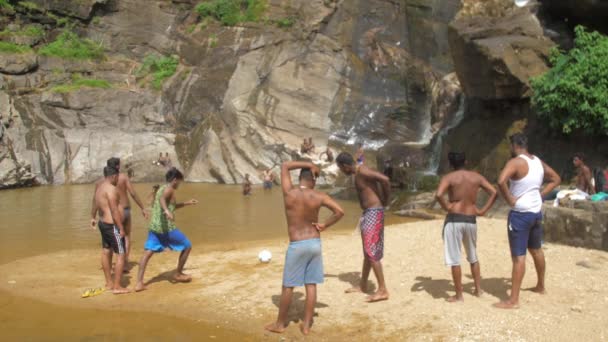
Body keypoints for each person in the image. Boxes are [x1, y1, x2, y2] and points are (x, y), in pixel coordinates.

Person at [265, 161, 344, 335]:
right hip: (314, 243)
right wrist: (325, 225)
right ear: (313, 181)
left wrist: (309, 164)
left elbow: (285, 165)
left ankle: (280, 324)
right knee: (311, 285)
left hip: (297, 245)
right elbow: (340, 211)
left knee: (288, 286)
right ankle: (306, 325)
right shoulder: (319, 195)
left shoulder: (289, 192)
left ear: (300, 178)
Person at [494, 133, 561, 309]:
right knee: (536, 250)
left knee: (518, 257)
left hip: (520, 214)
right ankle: (540, 286)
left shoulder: (515, 162)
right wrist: (541, 194)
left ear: (514, 146)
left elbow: (501, 181)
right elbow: (556, 179)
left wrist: (510, 200)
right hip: (536, 212)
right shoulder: (537, 161)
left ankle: (514, 300)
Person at [435, 152, 498, 302]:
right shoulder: (476, 177)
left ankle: (459, 295)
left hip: (454, 218)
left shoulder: (449, 178)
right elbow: (494, 192)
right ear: (466, 161)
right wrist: (482, 210)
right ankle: (478, 290)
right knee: (473, 256)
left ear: (451, 164)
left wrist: (447, 206)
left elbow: (438, 194)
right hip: (470, 218)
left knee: (455, 259)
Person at [336, 152, 391, 302]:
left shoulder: (362, 171)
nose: (341, 171)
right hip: (369, 212)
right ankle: (363, 285)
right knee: (368, 251)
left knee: (371, 252)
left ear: (346, 166)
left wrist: (385, 200)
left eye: (341, 168)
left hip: (374, 212)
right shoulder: (359, 169)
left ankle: (382, 290)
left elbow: (385, 179)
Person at [134, 168, 198, 292]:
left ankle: (139, 283)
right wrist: (166, 210)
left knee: (147, 253)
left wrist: (187, 203)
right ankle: (178, 273)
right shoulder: (169, 189)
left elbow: (171, 205)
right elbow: (163, 200)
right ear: (175, 180)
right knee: (187, 246)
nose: (179, 184)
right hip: (166, 228)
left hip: (154, 227)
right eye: (179, 181)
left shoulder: (162, 188)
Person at [91, 158, 148, 269]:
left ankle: (111, 264)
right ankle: (125, 264)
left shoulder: (100, 183)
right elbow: (133, 193)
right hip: (125, 210)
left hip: (108, 215)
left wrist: (92, 216)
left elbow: (95, 200)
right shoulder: (123, 177)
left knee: (109, 243)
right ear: (117, 166)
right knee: (126, 236)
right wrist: (142, 207)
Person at [90, 166, 130, 294]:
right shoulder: (111, 190)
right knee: (121, 254)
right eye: (117, 177)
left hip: (103, 223)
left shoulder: (99, 187)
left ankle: (109, 283)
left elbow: (95, 204)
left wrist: (92, 216)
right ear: (113, 176)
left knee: (106, 252)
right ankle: (117, 287)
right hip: (113, 225)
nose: (118, 179)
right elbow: (114, 210)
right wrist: (121, 227)